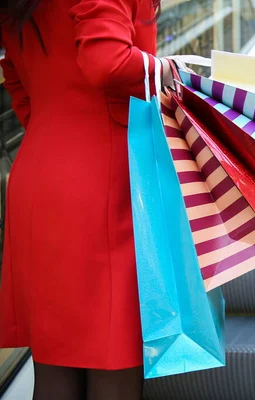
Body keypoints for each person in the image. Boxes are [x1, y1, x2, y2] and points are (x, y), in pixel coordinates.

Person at [0, 0, 173, 398]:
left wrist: (57, 132)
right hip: (102, 185)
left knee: (54, 360)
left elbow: (16, 81)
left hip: (38, 177)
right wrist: (170, 70)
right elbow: (108, 62)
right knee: (113, 358)